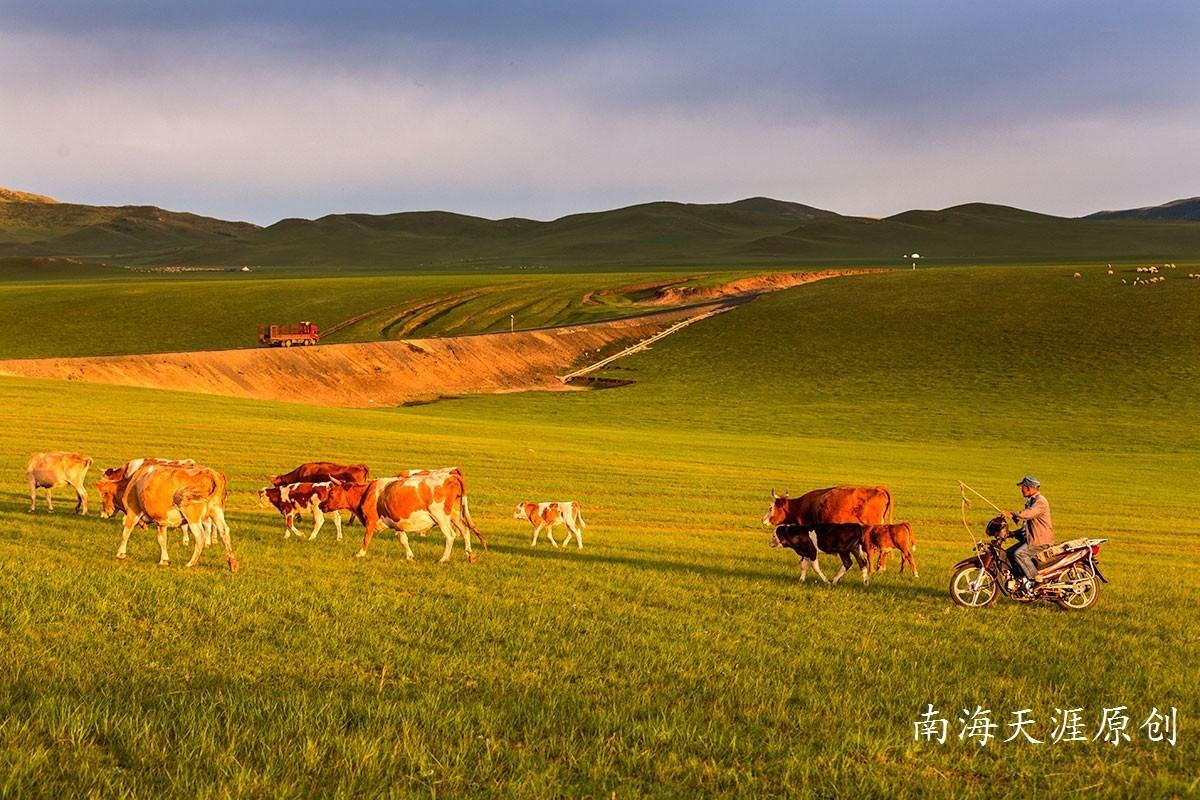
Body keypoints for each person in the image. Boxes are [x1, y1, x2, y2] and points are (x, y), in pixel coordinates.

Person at [1000, 476, 1054, 594]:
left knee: (1019, 554)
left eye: (1023, 487)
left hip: (1040, 540)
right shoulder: (1031, 501)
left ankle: (1036, 580)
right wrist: (1012, 534)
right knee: (1008, 554)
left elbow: (1029, 514)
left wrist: (1012, 514)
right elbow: (1028, 527)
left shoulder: (1040, 501)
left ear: (1029, 488)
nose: (1021, 489)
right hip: (1032, 538)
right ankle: (1021, 579)